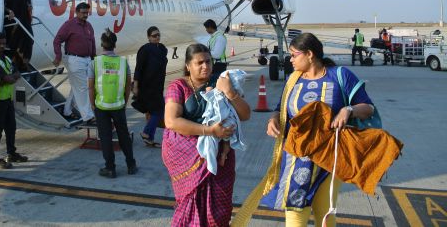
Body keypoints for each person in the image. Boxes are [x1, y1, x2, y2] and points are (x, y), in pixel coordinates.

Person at [234, 32, 375, 227]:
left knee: (325, 217)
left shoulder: (340, 75)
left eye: (294, 55)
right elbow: (279, 109)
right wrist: (273, 120)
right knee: (294, 214)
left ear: (309, 54)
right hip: (294, 161)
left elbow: (368, 108)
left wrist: (348, 109)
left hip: (328, 162)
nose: (290, 60)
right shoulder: (293, 79)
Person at [162, 43, 251, 226]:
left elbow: (245, 114)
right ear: (188, 65)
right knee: (190, 205)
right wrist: (210, 131)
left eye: (208, 61)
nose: (205, 66)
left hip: (220, 158)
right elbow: (171, 121)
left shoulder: (221, 82)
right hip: (188, 156)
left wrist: (229, 92)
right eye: (199, 62)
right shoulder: (178, 87)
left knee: (218, 209)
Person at [87, 29, 137, 178]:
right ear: (115, 44)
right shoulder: (123, 62)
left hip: (101, 106)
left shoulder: (94, 63)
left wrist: (92, 104)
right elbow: (128, 85)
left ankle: (110, 168)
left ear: (102, 44)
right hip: (118, 105)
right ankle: (131, 165)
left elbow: (90, 86)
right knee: (124, 135)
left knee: (106, 137)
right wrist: (124, 100)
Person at [0, 32, 29, 169]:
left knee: (11, 128)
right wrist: (9, 78)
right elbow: (11, 78)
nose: (2, 46)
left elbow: (17, 74)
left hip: (7, 98)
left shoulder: (7, 59)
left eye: (4, 43)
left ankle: (11, 153)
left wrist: (9, 78)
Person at [53, 2, 96, 124]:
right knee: (83, 87)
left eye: (87, 13)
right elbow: (57, 40)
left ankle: (67, 110)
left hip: (87, 60)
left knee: (76, 87)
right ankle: (88, 116)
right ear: (77, 12)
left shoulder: (88, 26)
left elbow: (92, 42)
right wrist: (58, 56)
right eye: (83, 13)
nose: (85, 15)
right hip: (75, 60)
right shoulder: (69, 25)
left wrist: (93, 58)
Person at [132, 26, 168, 147]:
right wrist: (136, 85)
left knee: (155, 111)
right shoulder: (145, 50)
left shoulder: (162, 49)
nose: (157, 37)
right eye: (154, 35)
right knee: (159, 110)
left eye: (158, 35)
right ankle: (147, 133)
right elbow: (139, 68)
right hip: (147, 86)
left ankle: (149, 137)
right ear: (148, 37)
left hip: (158, 85)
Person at [4, 0, 34, 69]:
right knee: (14, 42)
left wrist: (29, 6)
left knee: (30, 38)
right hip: (13, 20)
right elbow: (3, 5)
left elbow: (28, 2)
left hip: (24, 18)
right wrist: (9, 11)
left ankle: (25, 61)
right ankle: (13, 61)